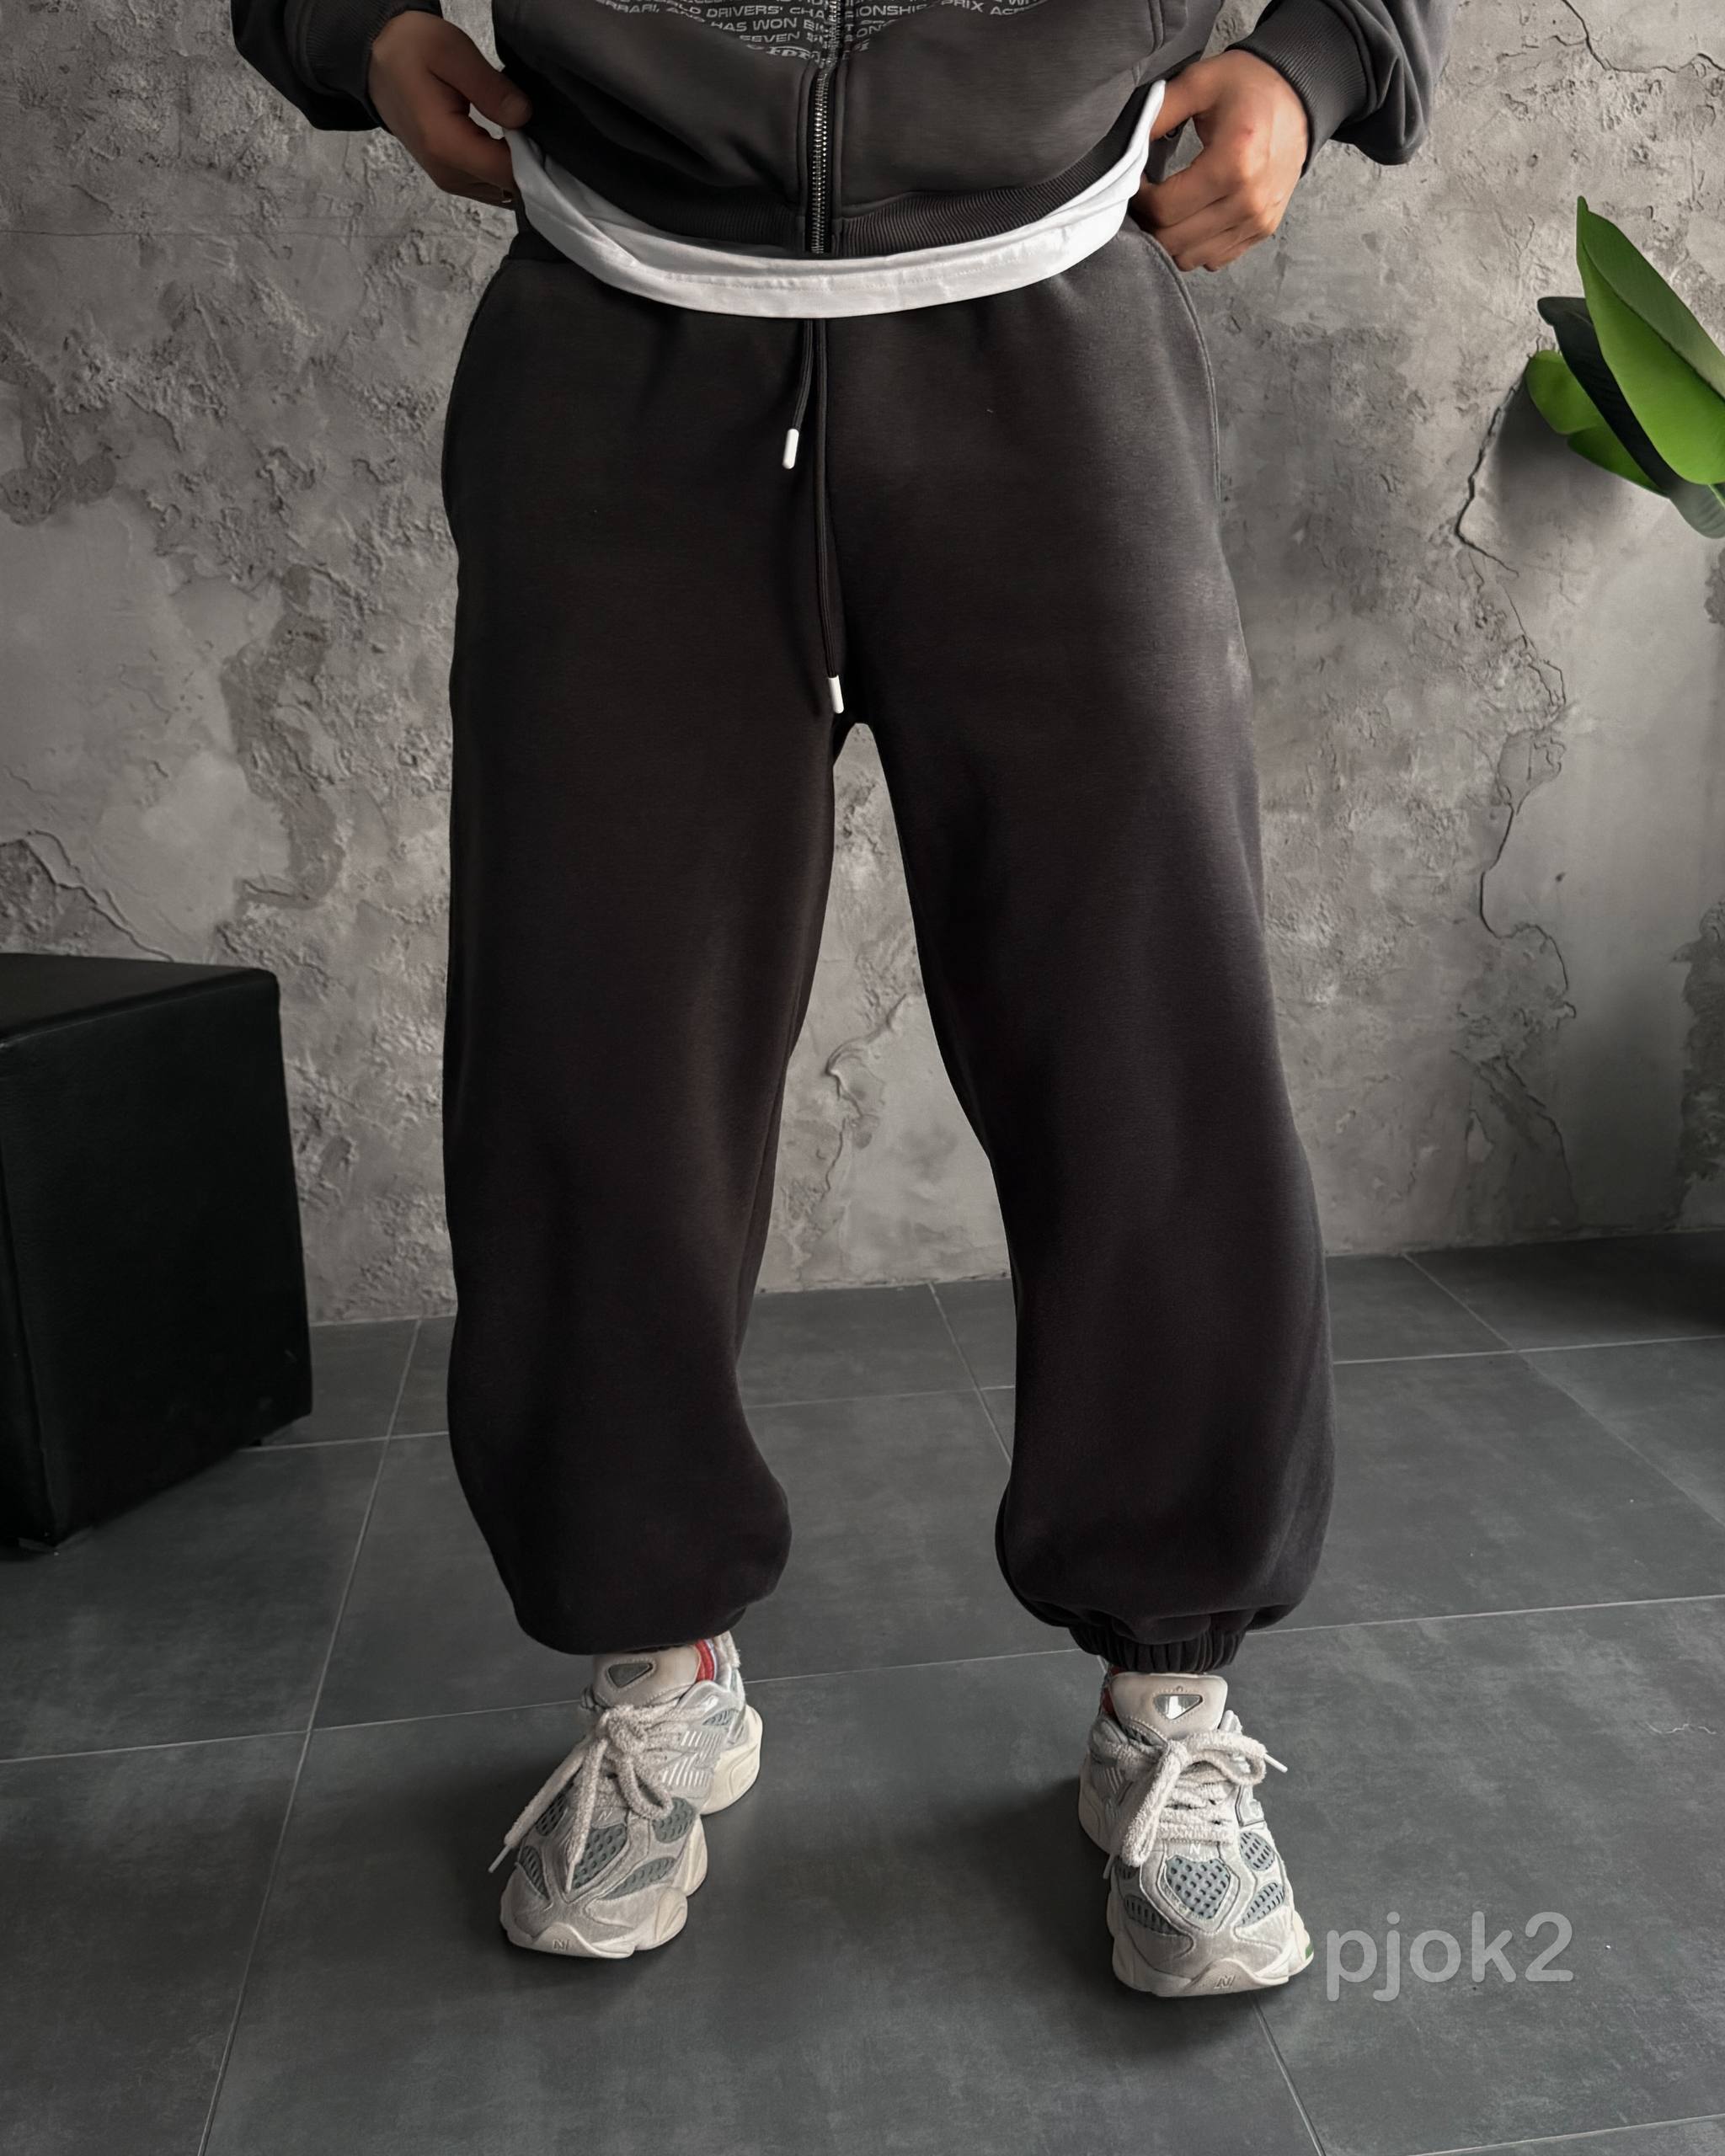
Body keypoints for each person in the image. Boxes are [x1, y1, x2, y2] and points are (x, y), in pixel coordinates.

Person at [233, 0, 1453, 1996]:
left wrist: (1321, 57)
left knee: (1146, 1051)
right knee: (593, 1049)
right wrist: (346, 27)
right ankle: (659, 1672)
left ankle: (1169, 1699)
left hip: (1051, 327)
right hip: (623, 331)